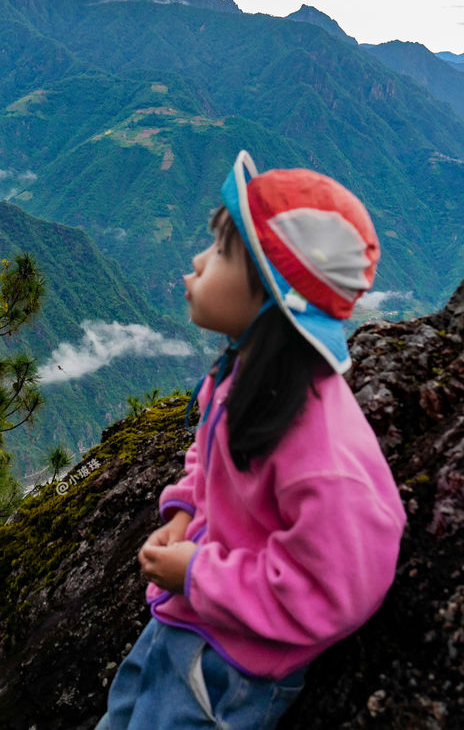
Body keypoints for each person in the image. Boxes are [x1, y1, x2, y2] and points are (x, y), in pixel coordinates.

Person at [95, 150, 406, 730]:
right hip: (187, 622)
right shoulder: (245, 378)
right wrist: (185, 511)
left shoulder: (319, 451)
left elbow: (334, 589)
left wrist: (197, 574)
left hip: (229, 672)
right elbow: (210, 457)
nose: (197, 260)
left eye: (219, 252)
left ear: (269, 296)